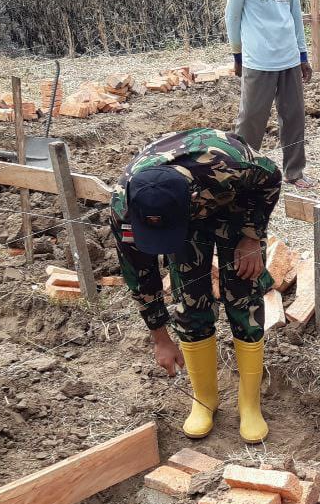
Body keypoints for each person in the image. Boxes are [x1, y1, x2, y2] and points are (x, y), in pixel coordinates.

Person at [109, 128, 281, 443]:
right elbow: (140, 272)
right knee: (190, 300)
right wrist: (159, 337)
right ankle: (205, 399)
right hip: (181, 218)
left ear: (190, 200)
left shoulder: (229, 162)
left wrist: (252, 236)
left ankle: (249, 404)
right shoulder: (126, 207)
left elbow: (270, 180)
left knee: (243, 294)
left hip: (233, 203)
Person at [226, 0, 316, 190]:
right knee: (251, 118)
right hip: (259, 58)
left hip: (287, 55)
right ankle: (243, 173)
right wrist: (237, 54)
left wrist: (302, 54)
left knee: (294, 116)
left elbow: (295, 14)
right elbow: (232, 17)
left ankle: (294, 172)